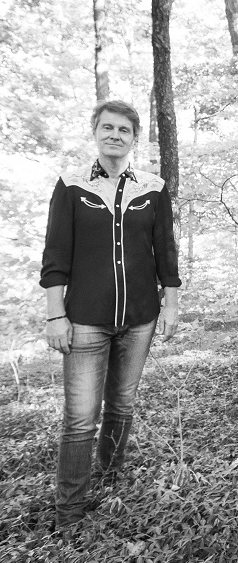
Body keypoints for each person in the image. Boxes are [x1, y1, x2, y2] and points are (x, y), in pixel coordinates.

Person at [41, 100, 181, 532]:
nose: (115, 135)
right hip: (84, 317)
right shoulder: (71, 186)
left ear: (134, 138)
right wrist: (55, 315)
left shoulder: (153, 189)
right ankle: (70, 509)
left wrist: (171, 303)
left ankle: (112, 474)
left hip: (140, 316)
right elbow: (56, 254)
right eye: (108, 127)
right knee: (81, 415)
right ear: (95, 132)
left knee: (122, 402)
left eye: (124, 129)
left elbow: (166, 251)